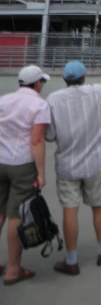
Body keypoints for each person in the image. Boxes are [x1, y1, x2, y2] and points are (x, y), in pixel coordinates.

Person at [45, 61, 101, 276]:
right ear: (84, 77)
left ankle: (72, 260)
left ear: (66, 79)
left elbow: (49, 135)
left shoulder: (53, 100)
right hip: (95, 163)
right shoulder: (97, 92)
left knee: (70, 210)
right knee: (99, 207)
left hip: (67, 166)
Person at [0, 65, 51, 286]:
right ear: (37, 83)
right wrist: (40, 173)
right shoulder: (40, 105)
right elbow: (37, 140)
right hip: (22, 163)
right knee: (16, 215)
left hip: (0, 159)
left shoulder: (3, 100)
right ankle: (13, 269)